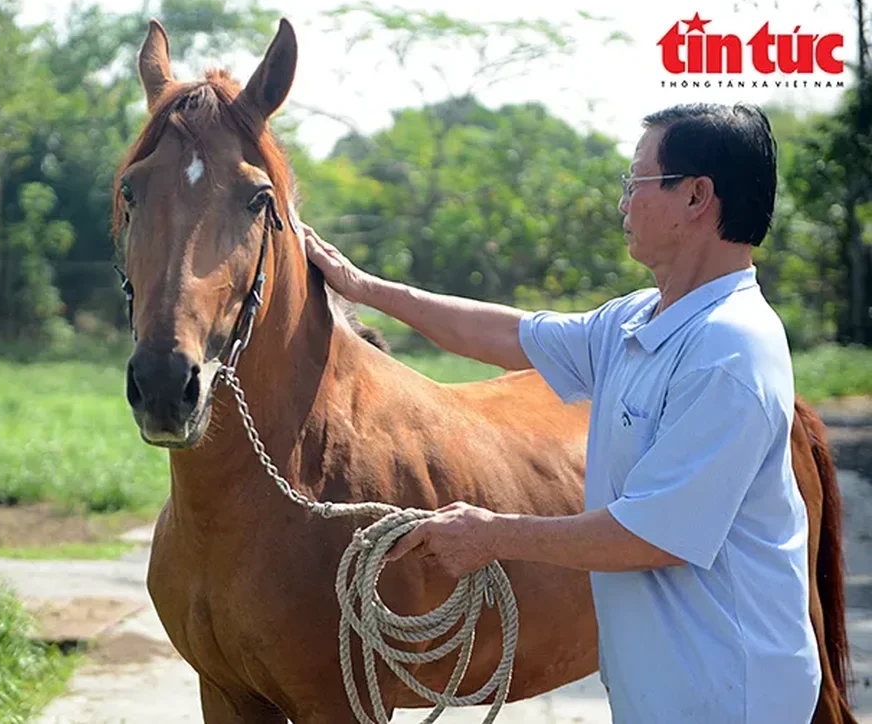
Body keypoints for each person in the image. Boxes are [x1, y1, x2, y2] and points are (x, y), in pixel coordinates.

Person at [302, 102, 821, 724]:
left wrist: (489, 534)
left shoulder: (728, 350)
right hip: (668, 693)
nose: (624, 202)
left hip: (729, 694)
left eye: (637, 182)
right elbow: (506, 336)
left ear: (696, 197)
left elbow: (652, 536)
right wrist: (365, 288)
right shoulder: (640, 320)